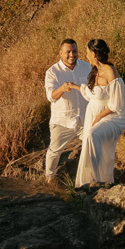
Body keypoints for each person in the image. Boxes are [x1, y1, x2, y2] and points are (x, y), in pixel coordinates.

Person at [74, 38, 125, 187]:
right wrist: (74, 86)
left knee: (93, 136)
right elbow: (92, 94)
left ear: (93, 54)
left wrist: (99, 116)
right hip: (92, 113)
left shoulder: (110, 71)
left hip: (111, 116)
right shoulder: (95, 70)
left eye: (87, 53)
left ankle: (97, 180)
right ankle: (88, 182)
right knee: (90, 143)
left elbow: (117, 104)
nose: (85, 55)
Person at [44, 38, 91, 181]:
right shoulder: (52, 72)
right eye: (68, 52)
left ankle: (89, 177)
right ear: (61, 53)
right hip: (63, 121)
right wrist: (62, 89)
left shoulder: (86, 67)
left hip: (85, 118)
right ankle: (49, 178)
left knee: (93, 145)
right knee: (54, 151)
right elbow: (50, 96)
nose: (72, 55)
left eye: (74, 51)